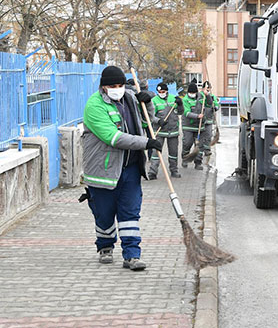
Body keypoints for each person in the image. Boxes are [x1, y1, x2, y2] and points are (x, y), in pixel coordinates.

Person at [82, 66, 162, 271]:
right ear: (103, 87)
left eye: (120, 85)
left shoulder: (130, 98)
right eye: (112, 86)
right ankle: (105, 246)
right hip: (104, 171)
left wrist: (147, 103)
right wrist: (146, 143)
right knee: (104, 215)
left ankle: (132, 255)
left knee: (130, 213)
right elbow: (113, 138)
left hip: (131, 168)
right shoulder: (94, 106)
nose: (117, 89)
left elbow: (147, 121)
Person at [147, 82, 182, 180]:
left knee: (173, 153)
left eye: (163, 91)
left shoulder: (173, 99)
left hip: (173, 131)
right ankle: (152, 172)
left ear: (167, 91)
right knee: (156, 153)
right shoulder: (153, 101)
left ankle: (174, 170)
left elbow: (181, 112)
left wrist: (180, 104)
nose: (161, 93)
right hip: (160, 131)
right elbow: (150, 116)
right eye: (159, 92)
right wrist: (158, 121)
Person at [181, 83, 211, 170]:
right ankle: (185, 158)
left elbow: (209, 104)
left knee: (200, 145)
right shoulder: (185, 100)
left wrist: (207, 95)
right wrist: (197, 116)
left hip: (199, 126)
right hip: (188, 126)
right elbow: (186, 112)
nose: (192, 94)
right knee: (187, 143)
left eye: (193, 92)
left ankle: (198, 162)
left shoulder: (202, 97)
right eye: (190, 92)